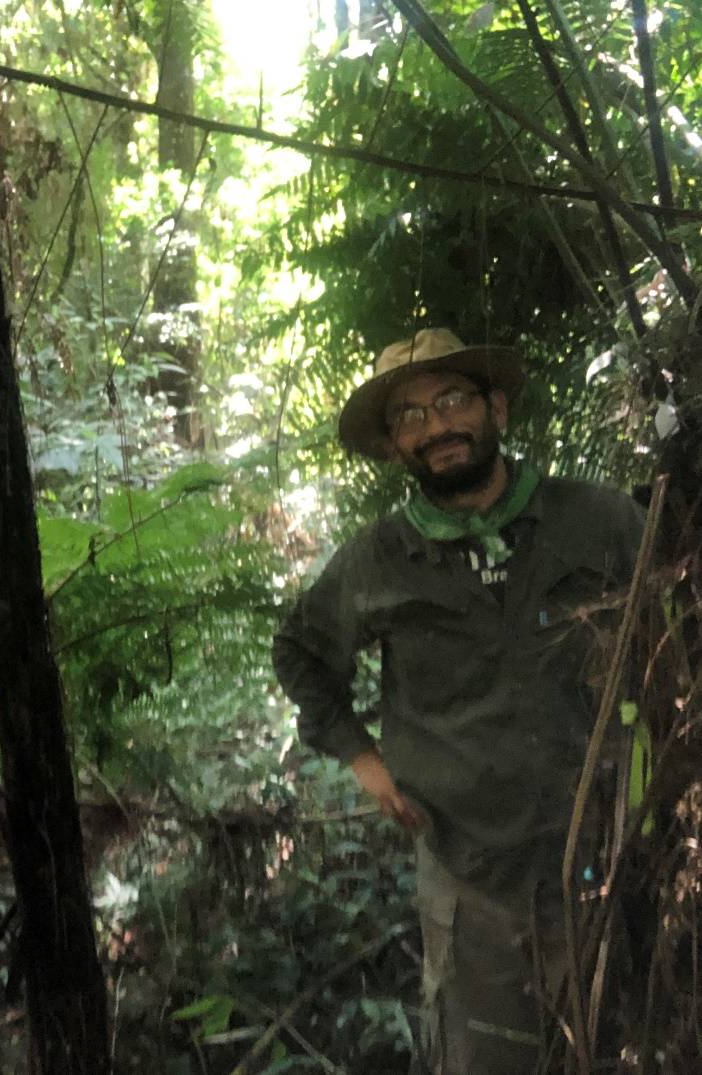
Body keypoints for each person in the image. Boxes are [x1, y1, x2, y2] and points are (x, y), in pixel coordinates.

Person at [272, 328, 645, 1074]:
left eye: (451, 401)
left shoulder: (598, 520)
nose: (436, 426)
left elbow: (672, 642)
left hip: (603, 857)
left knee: (621, 1047)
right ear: (393, 448)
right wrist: (360, 755)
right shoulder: (378, 559)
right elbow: (302, 652)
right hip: (470, 878)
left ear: (495, 407)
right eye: (410, 416)